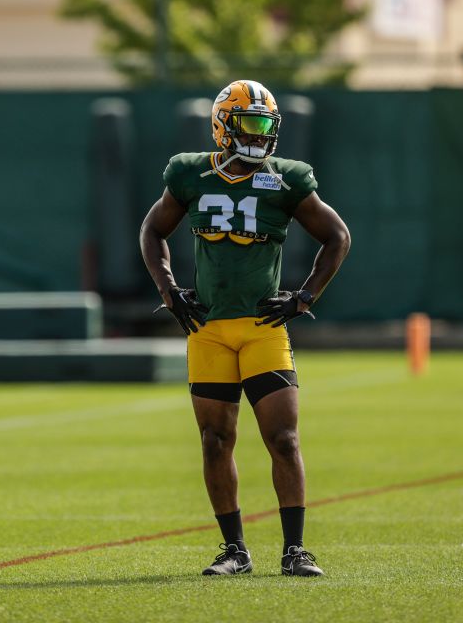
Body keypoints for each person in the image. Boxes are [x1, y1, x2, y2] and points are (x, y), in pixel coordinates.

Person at [139, 80, 350, 577]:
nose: (260, 137)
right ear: (223, 126)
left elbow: (337, 236)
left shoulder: (288, 179)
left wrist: (305, 297)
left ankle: (295, 550)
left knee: (284, 440)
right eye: (251, 125)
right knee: (216, 440)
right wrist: (168, 290)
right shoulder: (189, 173)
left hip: (262, 329)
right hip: (209, 330)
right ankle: (235, 550)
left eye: (267, 127)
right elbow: (153, 230)